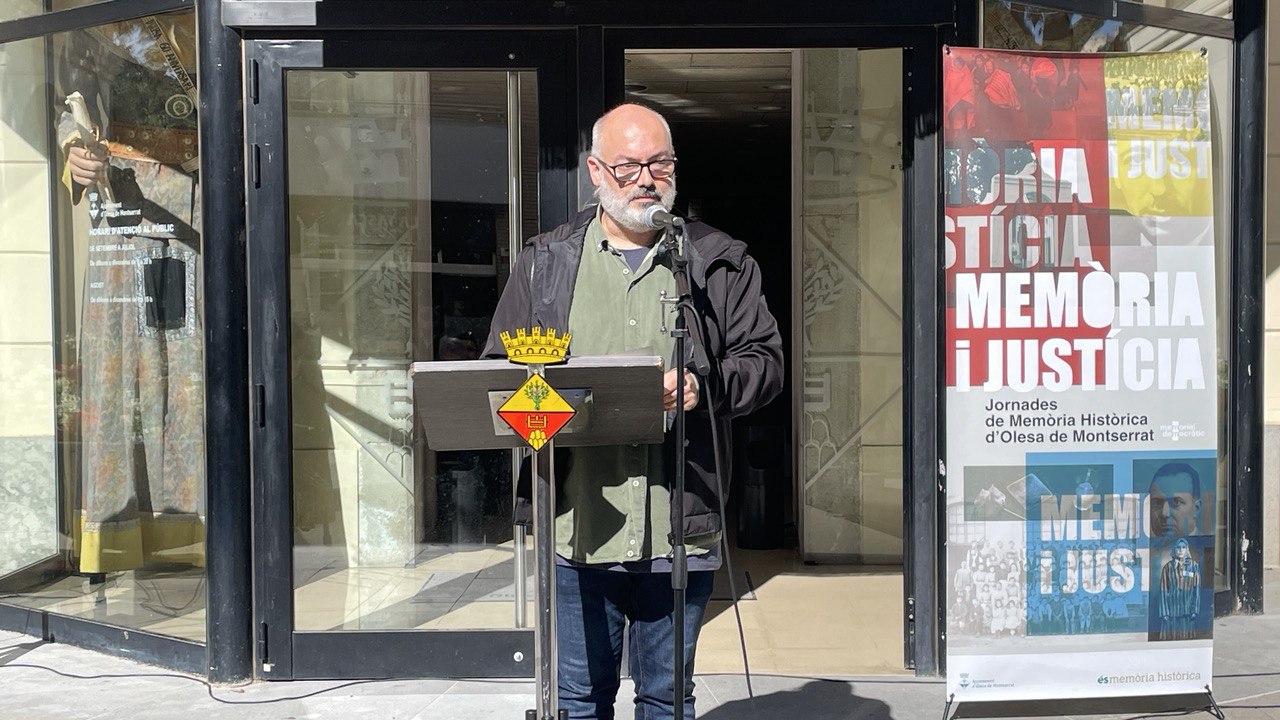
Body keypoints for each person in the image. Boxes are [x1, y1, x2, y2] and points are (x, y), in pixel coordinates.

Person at [482, 103, 783, 720]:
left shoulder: (718, 262)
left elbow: (766, 363)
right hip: (576, 524)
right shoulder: (546, 263)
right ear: (595, 171)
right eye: (628, 167)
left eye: (660, 163)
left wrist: (706, 384)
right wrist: (550, 399)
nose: (647, 178)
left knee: (666, 698)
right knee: (577, 699)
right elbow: (498, 373)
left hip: (681, 525)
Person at [1148, 462, 1203, 538]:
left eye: (1176, 502)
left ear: (1196, 508)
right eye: (1156, 503)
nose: (1164, 513)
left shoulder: (1211, 548)